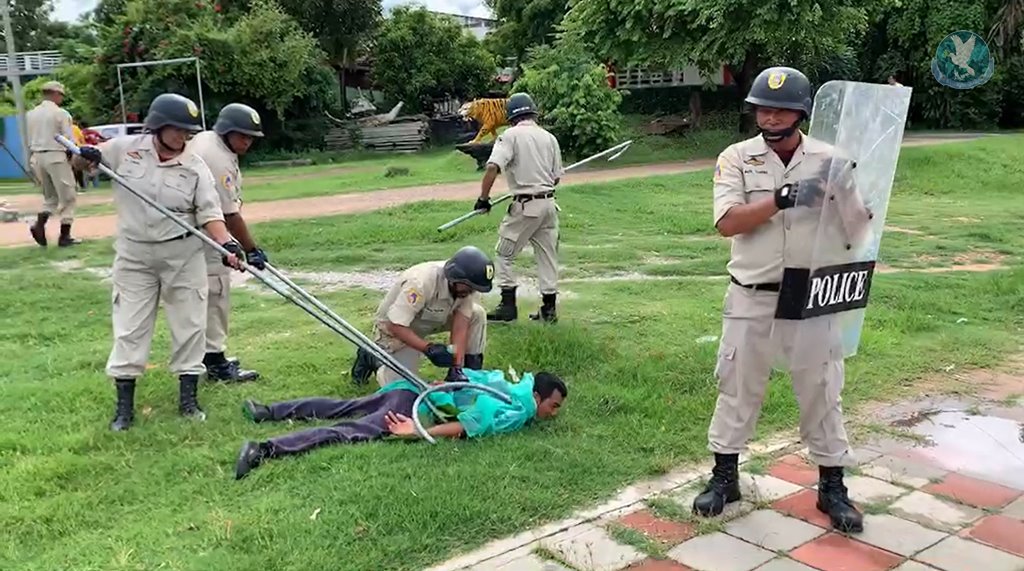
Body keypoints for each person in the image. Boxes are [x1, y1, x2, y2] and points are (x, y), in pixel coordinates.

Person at [692, 66, 874, 533]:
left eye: (781, 110)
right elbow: (727, 222)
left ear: (801, 113)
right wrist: (780, 198)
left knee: (822, 388)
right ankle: (725, 477)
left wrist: (846, 199)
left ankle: (832, 486)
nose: (770, 118)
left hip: (811, 293)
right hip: (752, 293)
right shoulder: (736, 158)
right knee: (737, 384)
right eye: (763, 110)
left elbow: (857, 231)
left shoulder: (832, 159)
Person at [74, 92, 246, 432]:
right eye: (177, 129)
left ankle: (188, 401)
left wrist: (227, 244)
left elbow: (210, 214)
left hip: (183, 254)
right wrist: (84, 157)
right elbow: (79, 163)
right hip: (135, 255)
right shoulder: (124, 150)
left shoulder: (195, 166)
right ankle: (124, 409)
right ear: (159, 126)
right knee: (130, 326)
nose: (183, 137)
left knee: (190, 324)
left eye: (188, 131)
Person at [233, 368, 568, 479]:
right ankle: (264, 449)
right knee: (349, 431)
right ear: (537, 396)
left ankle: (266, 411)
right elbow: (469, 425)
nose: (553, 413)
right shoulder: (518, 409)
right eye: (552, 406)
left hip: (410, 390)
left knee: (343, 407)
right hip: (414, 409)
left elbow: (464, 380)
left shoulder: (507, 384)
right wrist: (416, 430)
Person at [187, 103, 268, 383]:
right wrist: (251, 249)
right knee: (216, 292)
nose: (247, 142)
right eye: (242, 136)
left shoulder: (209, 140)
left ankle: (206, 357)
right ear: (227, 131)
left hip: (194, 229)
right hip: (204, 233)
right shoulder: (217, 157)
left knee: (203, 296)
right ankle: (216, 362)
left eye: (251, 137)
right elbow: (229, 215)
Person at [474, 92, 564, 324]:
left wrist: (483, 198)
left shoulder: (510, 136)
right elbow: (555, 178)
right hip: (549, 206)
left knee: (504, 254)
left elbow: (493, 167)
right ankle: (549, 310)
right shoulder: (549, 138)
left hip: (525, 206)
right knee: (547, 257)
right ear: (533, 113)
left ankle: (508, 307)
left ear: (511, 116)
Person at [350, 246, 493, 387]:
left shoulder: (467, 286)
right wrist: (428, 348)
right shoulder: (420, 282)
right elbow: (395, 325)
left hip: (433, 317)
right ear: (455, 278)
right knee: (403, 387)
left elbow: (461, 325)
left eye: (474, 288)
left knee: (477, 314)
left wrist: (457, 366)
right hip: (397, 326)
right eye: (469, 287)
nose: (471, 292)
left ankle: (469, 374)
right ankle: (372, 355)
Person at [26, 81, 80, 247]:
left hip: (37, 156)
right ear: (56, 94)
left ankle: (39, 224)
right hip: (56, 155)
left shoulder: (31, 114)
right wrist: (74, 157)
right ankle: (65, 235)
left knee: (50, 197)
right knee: (68, 196)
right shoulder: (60, 113)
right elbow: (68, 139)